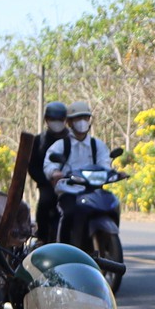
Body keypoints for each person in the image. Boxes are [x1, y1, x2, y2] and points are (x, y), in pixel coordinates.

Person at [40, 100, 116, 244]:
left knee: (111, 206)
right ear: (69, 122)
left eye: (85, 118)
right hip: (69, 191)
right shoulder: (61, 145)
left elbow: (105, 163)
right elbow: (49, 164)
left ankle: (105, 243)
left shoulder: (97, 145)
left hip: (94, 191)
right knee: (69, 213)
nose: (82, 122)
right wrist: (54, 172)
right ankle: (63, 248)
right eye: (78, 118)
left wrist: (113, 173)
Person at [33, 100, 72, 242]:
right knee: (45, 202)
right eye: (52, 119)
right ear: (46, 120)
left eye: (60, 119)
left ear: (65, 120)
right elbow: (33, 166)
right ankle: (42, 238)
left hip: (71, 183)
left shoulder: (72, 139)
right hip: (47, 184)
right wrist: (47, 180)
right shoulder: (39, 141)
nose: (56, 122)